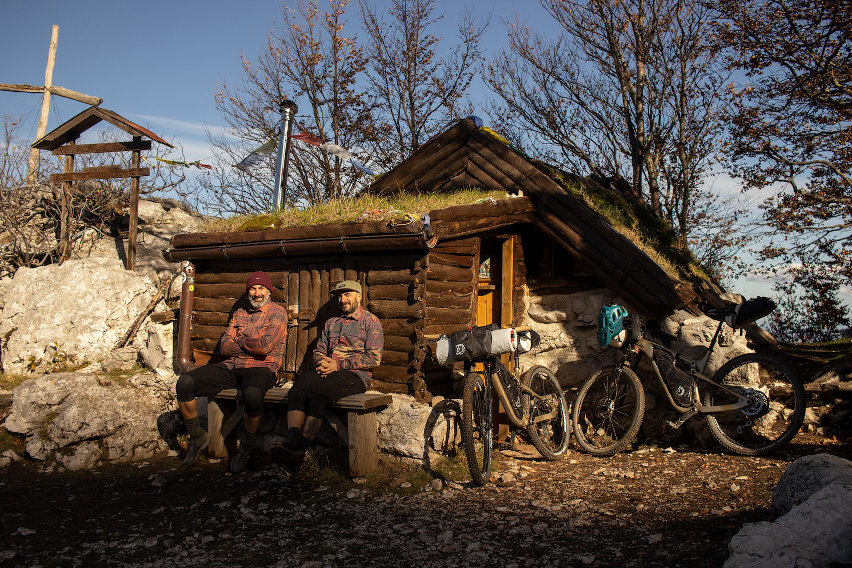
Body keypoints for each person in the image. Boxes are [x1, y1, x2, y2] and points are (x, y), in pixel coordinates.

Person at [175, 270, 287, 474]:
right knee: (185, 384)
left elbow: (264, 347)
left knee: (253, 395)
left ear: (269, 291)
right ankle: (196, 436)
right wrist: (245, 346)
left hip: (262, 368)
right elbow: (225, 347)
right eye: (252, 288)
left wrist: (240, 340)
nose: (256, 293)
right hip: (232, 365)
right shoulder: (240, 312)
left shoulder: (278, 312)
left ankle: (246, 447)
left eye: (261, 288)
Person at [279, 280, 383, 457]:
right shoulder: (331, 323)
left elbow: (374, 358)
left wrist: (338, 365)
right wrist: (323, 363)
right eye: (340, 296)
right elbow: (319, 350)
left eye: (347, 295)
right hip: (328, 371)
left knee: (320, 395)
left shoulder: (370, 321)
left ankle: (300, 448)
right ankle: (292, 439)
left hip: (354, 376)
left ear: (359, 296)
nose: (343, 300)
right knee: (299, 387)